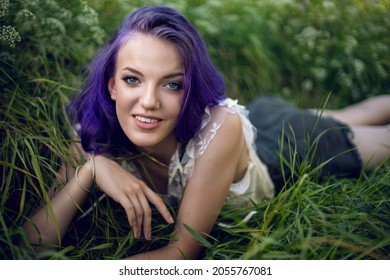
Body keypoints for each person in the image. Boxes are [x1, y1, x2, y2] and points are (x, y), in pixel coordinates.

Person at [23, 6, 390, 260]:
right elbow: (28, 248)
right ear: (112, 85)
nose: (148, 101)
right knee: (346, 114)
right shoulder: (91, 136)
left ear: (191, 89)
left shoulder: (221, 126)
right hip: (256, 124)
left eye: (172, 85)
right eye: (133, 79)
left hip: (286, 144)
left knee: (358, 131)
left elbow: (182, 254)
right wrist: (90, 169)